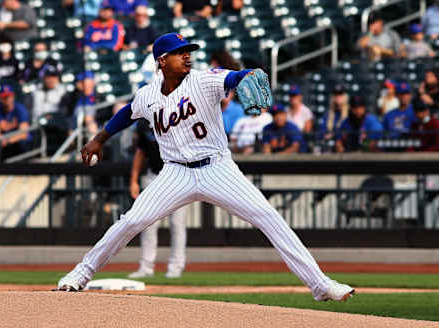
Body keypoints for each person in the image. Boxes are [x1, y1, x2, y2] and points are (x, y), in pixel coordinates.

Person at [57, 32, 354, 302]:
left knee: (266, 216)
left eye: (189, 50)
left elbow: (233, 78)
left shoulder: (203, 80)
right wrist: (99, 139)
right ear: (162, 61)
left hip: (217, 168)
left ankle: (320, 284)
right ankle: (80, 274)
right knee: (132, 221)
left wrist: (247, 75)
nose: (187, 55)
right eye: (179, 52)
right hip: (174, 172)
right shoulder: (147, 95)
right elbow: (127, 113)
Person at [128, 119, 188, 279]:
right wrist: (133, 181)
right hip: (153, 176)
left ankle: (176, 267)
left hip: (179, 177)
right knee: (148, 223)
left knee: (177, 224)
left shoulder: (179, 116)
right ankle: (146, 266)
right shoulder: (145, 122)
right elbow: (140, 153)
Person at [0, 85, 30, 160]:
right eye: (4, 97)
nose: (7, 99)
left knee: (22, 144)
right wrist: (2, 140)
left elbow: (24, 133)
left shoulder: (20, 109)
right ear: (0, 98)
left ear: (13, 96)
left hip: (18, 142)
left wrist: (8, 141)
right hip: (3, 143)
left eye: (9, 96)